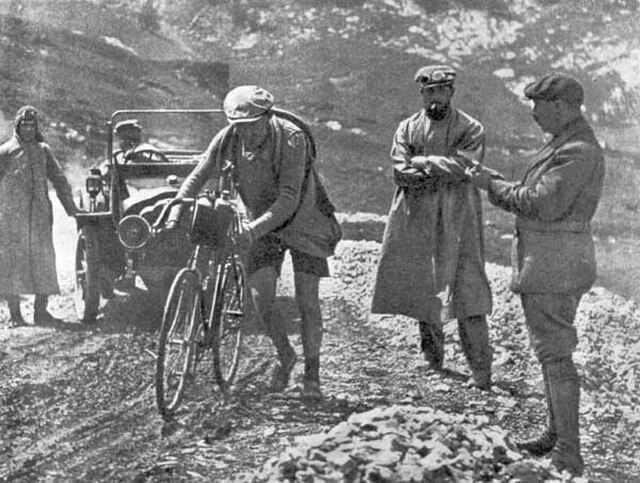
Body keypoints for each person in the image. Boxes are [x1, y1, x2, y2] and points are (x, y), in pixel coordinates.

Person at [466, 73, 605, 476]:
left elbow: (541, 203)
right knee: (550, 354)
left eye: (539, 105)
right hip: (553, 262)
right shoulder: (568, 143)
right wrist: (494, 180)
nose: (533, 113)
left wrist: (489, 184)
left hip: (555, 266)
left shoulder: (576, 150)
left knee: (556, 355)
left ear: (560, 106)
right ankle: (555, 436)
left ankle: (567, 454)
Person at [167, 85, 340, 400]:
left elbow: (289, 198)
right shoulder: (230, 137)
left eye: (251, 126)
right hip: (262, 226)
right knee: (261, 298)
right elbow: (201, 171)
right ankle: (285, 355)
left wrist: (253, 228)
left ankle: (312, 374)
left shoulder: (291, 139)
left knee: (307, 301)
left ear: (267, 117)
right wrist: (180, 201)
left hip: (305, 222)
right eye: (238, 126)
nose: (245, 133)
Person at [371, 65, 494, 389]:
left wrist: (424, 162)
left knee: (468, 289)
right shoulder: (408, 128)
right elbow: (399, 170)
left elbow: (465, 166)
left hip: (458, 218)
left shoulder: (470, 127)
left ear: (451, 92)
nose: (434, 98)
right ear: (421, 94)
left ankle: (481, 371)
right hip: (419, 217)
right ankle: (432, 359)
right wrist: (432, 169)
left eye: (441, 91)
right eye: (429, 92)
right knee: (425, 285)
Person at [0, 106, 80, 327]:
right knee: (11, 265)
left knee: (43, 262)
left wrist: (71, 208)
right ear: (17, 126)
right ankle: (15, 316)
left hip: (40, 219)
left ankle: (41, 312)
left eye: (32, 125)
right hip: (11, 220)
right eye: (24, 124)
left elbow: (59, 179)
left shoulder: (43, 150)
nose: (28, 128)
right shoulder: (5, 152)